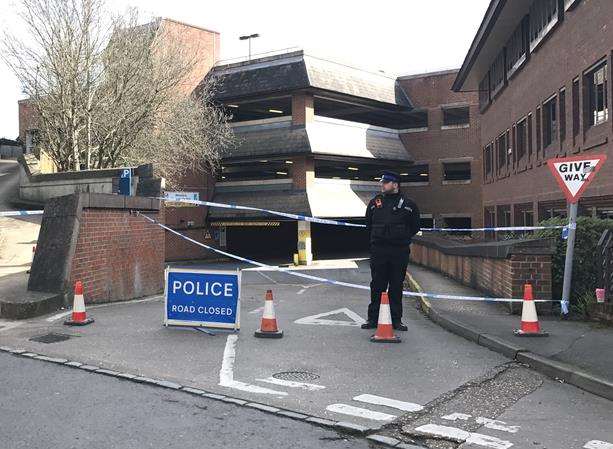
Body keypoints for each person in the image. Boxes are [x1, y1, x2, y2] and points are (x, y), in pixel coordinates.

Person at [362, 170, 421, 331]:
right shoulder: (375, 203)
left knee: (396, 286)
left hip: (399, 251)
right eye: (382, 182)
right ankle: (373, 319)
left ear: (395, 185)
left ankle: (396, 320)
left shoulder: (409, 205)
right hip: (379, 250)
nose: (382, 184)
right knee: (377, 285)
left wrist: (401, 237)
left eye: (385, 182)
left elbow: (415, 226)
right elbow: (368, 224)